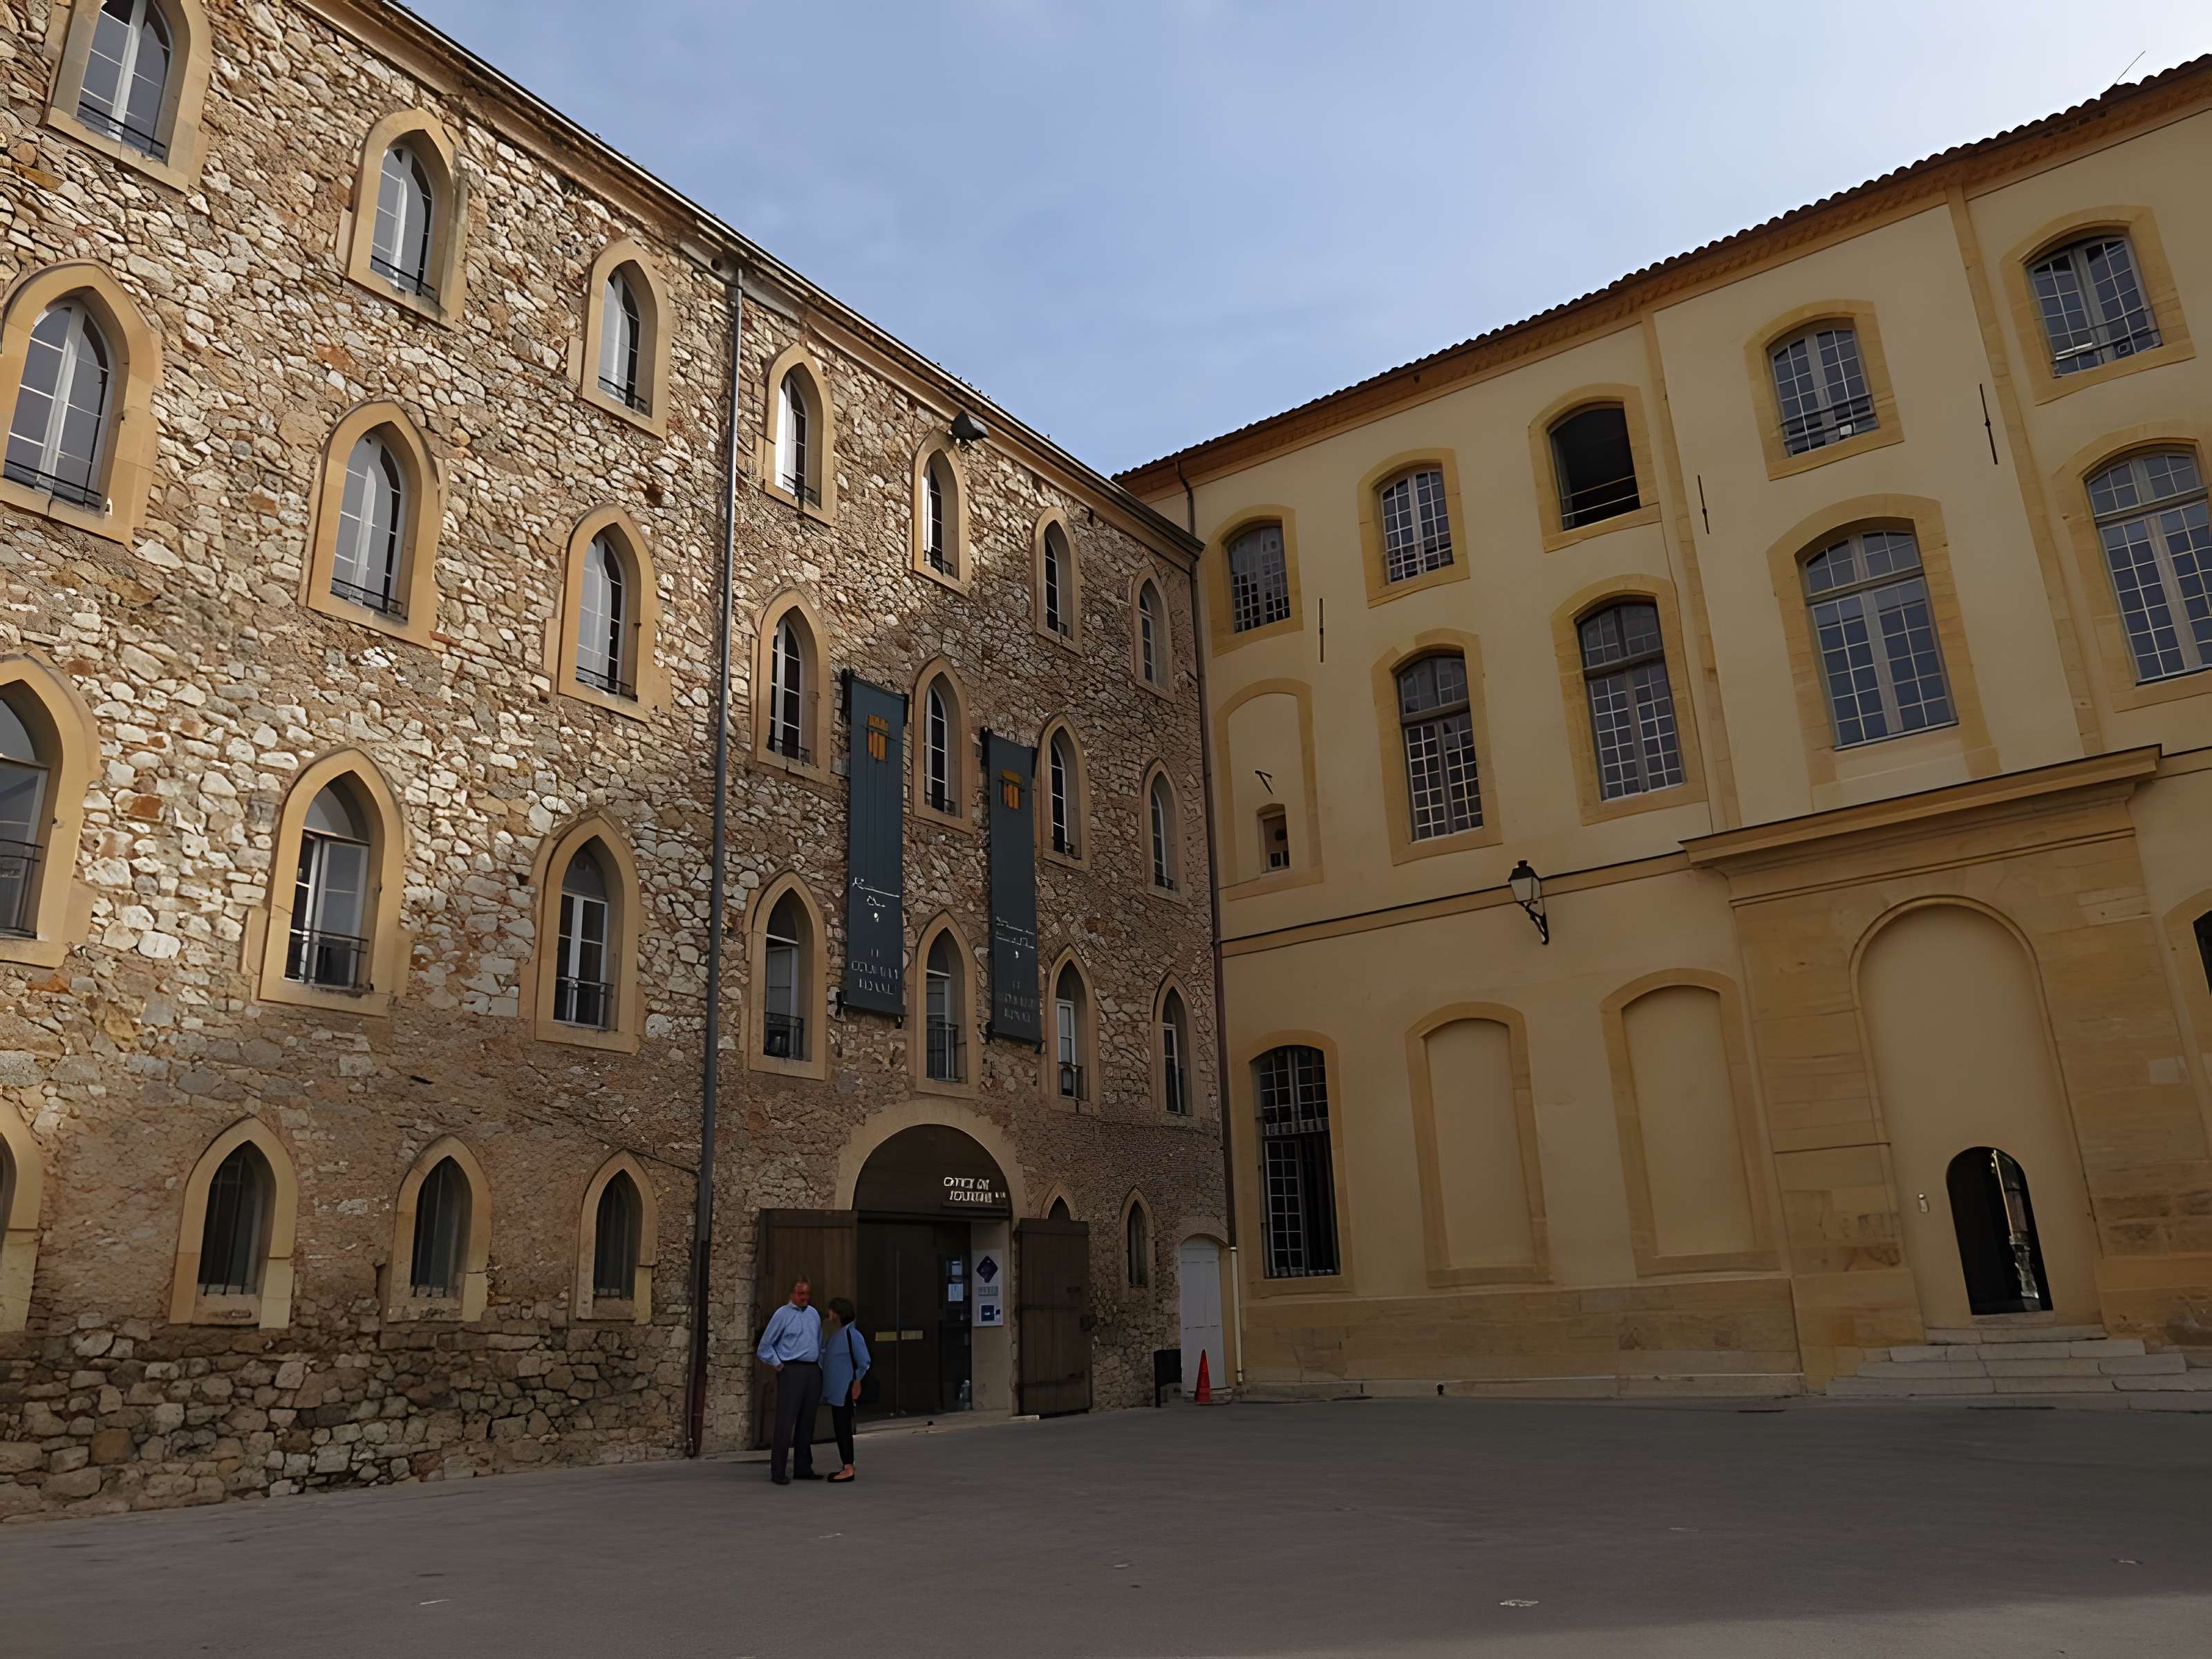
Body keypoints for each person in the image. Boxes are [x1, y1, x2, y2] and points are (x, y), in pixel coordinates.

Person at [756, 1276, 823, 1484]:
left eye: (807, 1294)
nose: (805, 1298)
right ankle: (778, 1470)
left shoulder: (813, 1314)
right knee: (786, 1421)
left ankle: (803, 1467)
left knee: (807, 1420)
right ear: (792, 1294)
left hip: (812, 1370)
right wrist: (779, 1365)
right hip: (791, 1369)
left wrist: (818, 1363)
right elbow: (765, 1346)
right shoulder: (782, 1315)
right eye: (800, 1293)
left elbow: (818, 1341)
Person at [819, 1297, 872, 1484]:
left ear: (838, 1313)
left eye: (831, 1311)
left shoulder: (852, 1335)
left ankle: (849, 1467)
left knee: (843, 1427)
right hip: (837, 1390)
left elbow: (864, 1361)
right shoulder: (838, 1334)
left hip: (844, 1389)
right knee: (840, 1427)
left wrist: (857, 1381)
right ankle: (847, 1465)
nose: (829, 1315)